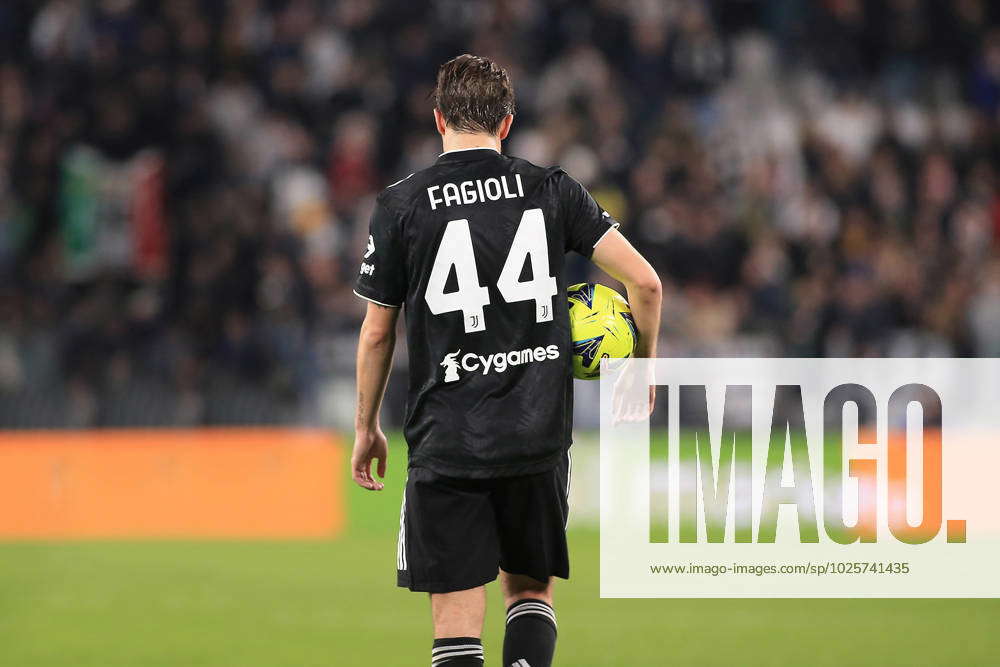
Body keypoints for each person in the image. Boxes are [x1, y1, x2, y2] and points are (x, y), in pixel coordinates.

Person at [351, 54, 661, 667]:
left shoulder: (400, 206)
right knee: (530, 594)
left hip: (448, 440)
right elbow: (646, 284)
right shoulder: (553, 189)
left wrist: (366, 427)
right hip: (535, 435)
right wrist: (642, 366)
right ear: (508, 123)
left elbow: (376, 335)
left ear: (439, 120)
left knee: (456, 629)